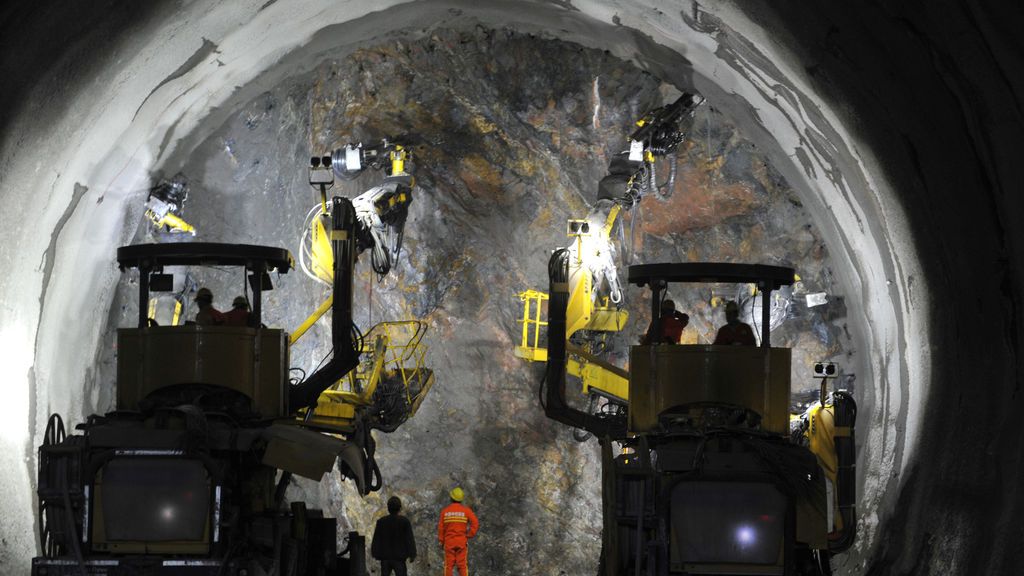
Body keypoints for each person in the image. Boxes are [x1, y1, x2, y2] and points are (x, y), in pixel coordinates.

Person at [371, 496, 417, 576]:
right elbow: (409, 539)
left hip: (385, 558)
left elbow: (376, 539)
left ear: (388, 508)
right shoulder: (404, 521)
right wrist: (412, 554)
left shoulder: (381, 522)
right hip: (399, 558)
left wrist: (375, 553)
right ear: (400, 508)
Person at [438, 487, 479, 576]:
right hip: (461, 541)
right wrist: (469, 534)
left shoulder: (445, 512)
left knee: (448, 566)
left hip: (449, 542)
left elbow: (441, 528)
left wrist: (441, 541)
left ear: (451, 498)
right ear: (461, 499)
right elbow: (475, 522)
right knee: (462, 566)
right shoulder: (466, 511)